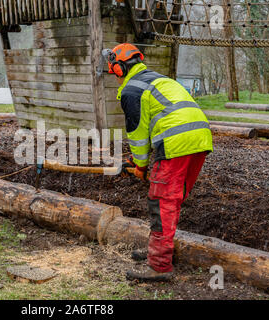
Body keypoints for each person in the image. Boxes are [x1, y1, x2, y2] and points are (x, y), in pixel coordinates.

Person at [103, 43, 213, 282]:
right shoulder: (157, 79)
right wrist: (136, 162)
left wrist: (140, 166)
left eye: (113, 70)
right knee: (171, 201)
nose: (113, 75)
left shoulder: (132, 90)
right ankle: (159, 250)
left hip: (176, 141)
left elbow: (138, 134)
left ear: (119, 68)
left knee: (162, 204)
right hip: (200, 138)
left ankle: (160, 266)